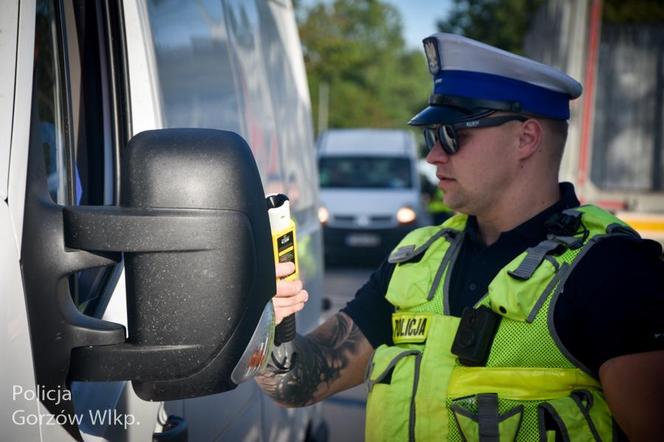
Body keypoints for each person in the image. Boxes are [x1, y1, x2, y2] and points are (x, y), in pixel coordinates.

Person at [257, 33, 664, 441]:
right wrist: (272, 319)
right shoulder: (417, 261)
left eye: (452, 134)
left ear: (526, 138)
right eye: (430, 136)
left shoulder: (612, 270)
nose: (434, 155)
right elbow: (295, 382)